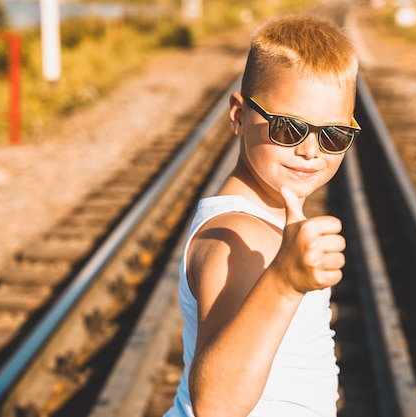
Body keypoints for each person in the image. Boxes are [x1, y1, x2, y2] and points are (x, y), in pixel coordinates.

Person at [165, 14, 360, 417]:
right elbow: (215, 405)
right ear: (238, 115)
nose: (311, 150)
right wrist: (284, 283)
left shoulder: (258, 222)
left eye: (334, 135)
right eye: (289, 128)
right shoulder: (238, 236)